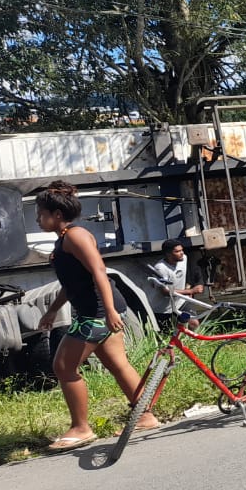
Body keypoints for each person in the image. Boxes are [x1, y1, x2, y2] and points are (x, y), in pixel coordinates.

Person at [36, 181, 159, 451]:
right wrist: (53, 310)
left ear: (57, 214)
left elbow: (99, 272)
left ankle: (81, 427)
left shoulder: (75, 236)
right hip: (96, 310)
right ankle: (146, 416)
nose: (37, 218)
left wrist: (111, 312)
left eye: (41, 213)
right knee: (118, 364)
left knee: (64, 367)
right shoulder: (65, 239)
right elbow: (73, 284)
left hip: (97, 313)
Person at [148, 239, 204, 331]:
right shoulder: (160, 268)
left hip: (181, 302)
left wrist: (194, 286)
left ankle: (194, 344)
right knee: (167, 334)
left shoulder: (184, 259)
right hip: (163, 308)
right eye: (177, 251)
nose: (181, 253)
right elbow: (165, 291)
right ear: (168, 254)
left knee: (193, 323)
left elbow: (188, 274)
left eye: (182, 250)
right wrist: (190, 291)